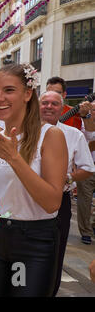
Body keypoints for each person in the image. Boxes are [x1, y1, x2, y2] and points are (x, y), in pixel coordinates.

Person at [0, 63, 68, 297]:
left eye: (9, 90)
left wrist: (15, 158)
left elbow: (52, 202)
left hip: (32, 244)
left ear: (28, 94)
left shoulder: (50, 135)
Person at [39, 90, 95, 296]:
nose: (49, 107)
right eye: (45, 103)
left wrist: (68, 178)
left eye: (54, 104)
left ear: (62, 108)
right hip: (28, 201)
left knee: (55, 253)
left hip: (58, 200)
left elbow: (87, 168)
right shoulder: (26, 132)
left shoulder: (74, 135)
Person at [77, 99, 95, 245]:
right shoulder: (83, 122)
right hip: (87, 167)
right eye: (93, 109)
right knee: (85, 200)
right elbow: (89, 138)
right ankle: (86, 231)